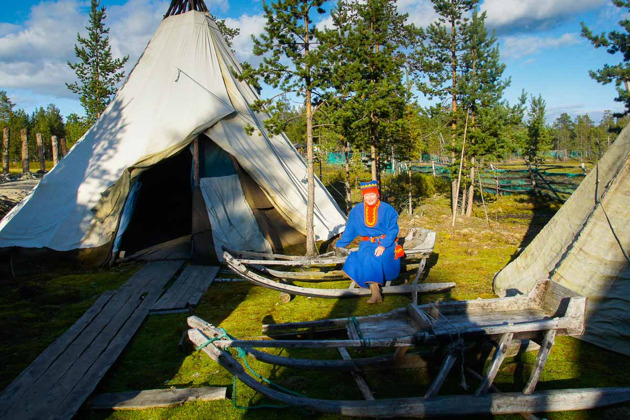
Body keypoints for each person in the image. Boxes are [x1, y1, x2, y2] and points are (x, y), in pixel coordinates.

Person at [335, 180, 402, 303]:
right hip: (367, 244)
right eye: (366, 195)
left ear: (377, 195)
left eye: (372, 195)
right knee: (361, 256)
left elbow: (393, 230)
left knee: (374, 257)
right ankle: (375, 290)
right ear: (363, 196)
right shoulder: (356, 211)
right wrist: (339, 245)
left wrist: (383, 245)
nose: (370, 198)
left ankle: (375, 293)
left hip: (387, 243)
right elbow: (351, 229)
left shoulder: (388, 209)